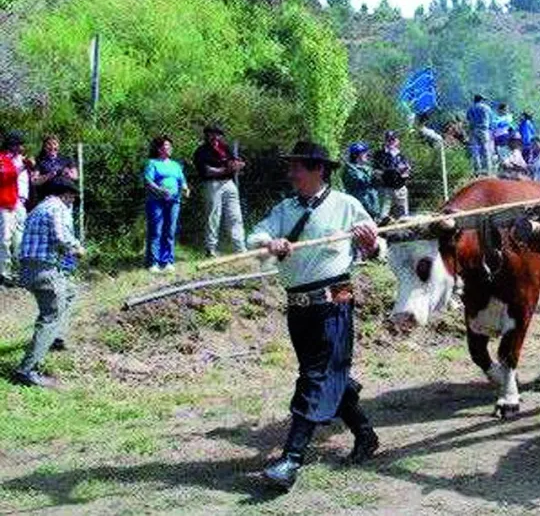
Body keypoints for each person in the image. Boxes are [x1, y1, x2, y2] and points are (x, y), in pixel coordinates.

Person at [246, 140, 381, 490]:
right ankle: (365, 434)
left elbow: (378, 247)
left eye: (297, 167)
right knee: (327, 375)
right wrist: (269, 244)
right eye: (290, 167)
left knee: (315, 377)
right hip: (298, 309)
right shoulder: (285, 209)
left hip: (334, 303)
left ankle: (291, 460)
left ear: (319, 169)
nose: (291, 173)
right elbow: (255, 236)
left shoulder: (347, 205)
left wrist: (369, 243)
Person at [10, 177, 85, 388]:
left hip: (29, 268)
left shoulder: (38, 208)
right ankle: (26, 370)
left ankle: (55, 338)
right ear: (65, 194)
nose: (72, 201)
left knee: (69, 291)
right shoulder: (57, 207)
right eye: (72, 197)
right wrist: (78, 248)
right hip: (44, 270)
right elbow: (61, 237)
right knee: (50, 316)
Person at [193, 124, 246, 257]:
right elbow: (207, 170)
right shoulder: (201, 151)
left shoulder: (225, 148)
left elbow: (235, 162)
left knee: (235, 215)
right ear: (207, 135)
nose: (215, 136)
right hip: (212, 184)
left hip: (229, 182)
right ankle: (211, 249)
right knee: (213, 216)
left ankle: (240, 247)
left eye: (217, 134)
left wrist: (238, 165)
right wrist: (226, 169)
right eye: (212, 133)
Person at [144, 136, 189, 273]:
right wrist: (160, 190)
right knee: (156, 231)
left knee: (170, 231)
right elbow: (148, 181)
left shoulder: (175, 165)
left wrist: (185, 189)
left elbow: (181, 180)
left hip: (174, 201)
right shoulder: (152, 163)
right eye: (166, 146)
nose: (169, 148)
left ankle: (167, 261)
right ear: (159, 149)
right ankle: (153, 262)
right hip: (156, 201)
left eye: (170, 146)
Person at [0, 131, 31, 287]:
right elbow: (3, 177)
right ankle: (4, 274)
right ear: (12, 145)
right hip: (3, 203)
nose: (22, 147)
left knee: (20, 238)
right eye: (19, 145)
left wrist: (27, 166)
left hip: (17, 202)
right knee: (5, 239)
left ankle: (21, 272)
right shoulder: (1, 158)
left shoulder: (20, 159)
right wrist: (22, 167)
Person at [372, 130, 411, 220]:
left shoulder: (402, 155)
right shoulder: (379, 154)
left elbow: (407, 171)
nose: (391, 142)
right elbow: (376, 172)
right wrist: (394, 170)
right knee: (383, 216)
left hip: (400, 189)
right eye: (388, 140)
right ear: (385, 141)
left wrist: (406, 171)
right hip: (386, 189)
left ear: (397, 141)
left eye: (393, 139)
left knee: (403, 217)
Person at [341, 142, 379, 220]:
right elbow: (360, 182)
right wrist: (374, 176)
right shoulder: (349, 169)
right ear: (356, 155)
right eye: (364, 153)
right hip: (359, 208)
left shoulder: (368, 168)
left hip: (372, 207)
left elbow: (375, 185)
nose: (367, 155)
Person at [465, 94, 494, 175]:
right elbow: (491, 120)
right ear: (481, 100)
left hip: (473, 130)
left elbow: (468, 118)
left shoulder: (470, 108)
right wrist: (491, 131)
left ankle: (477, 170)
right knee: (486, 149)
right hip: (484, 130)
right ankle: (487, 170)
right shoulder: (486, 108)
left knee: (475, 150)